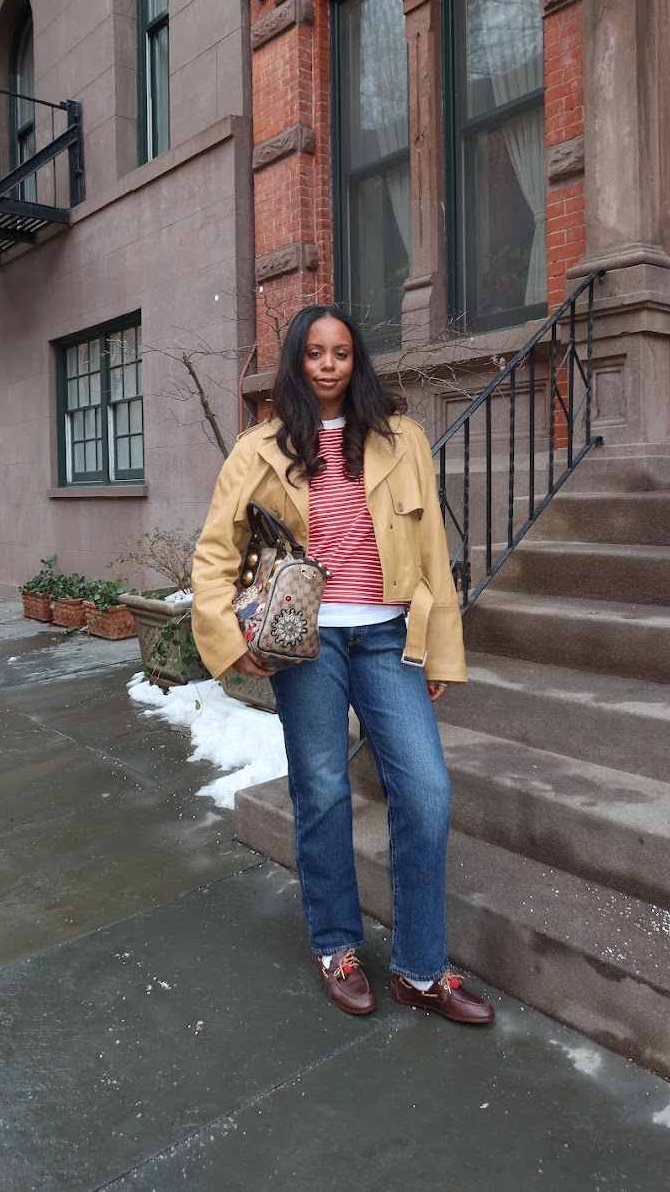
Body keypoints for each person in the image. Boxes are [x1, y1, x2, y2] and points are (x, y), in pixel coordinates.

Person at [191, 304, 493, 1025]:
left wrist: (442, 647)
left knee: (426, 791)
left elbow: (430, 555)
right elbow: (214, 553)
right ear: (297, 361)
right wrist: (232, 642)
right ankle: (337, 945)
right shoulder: (258, 448)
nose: (329, 364)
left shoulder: (402, 441)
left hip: (389, 637)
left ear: (356, 363)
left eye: (342, 353)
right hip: (305, 643)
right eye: (316, 353)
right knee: (322, 789)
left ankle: (421, 970)